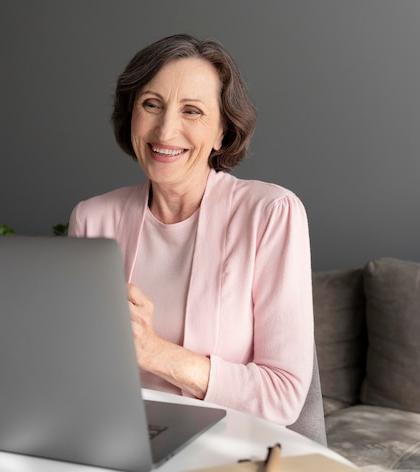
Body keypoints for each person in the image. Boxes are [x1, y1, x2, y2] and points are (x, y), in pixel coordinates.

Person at [68, 34, 314, 426]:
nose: (165, 132)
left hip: (226, 446)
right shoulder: (92, 218)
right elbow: (75, 369)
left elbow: (282, 395)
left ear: (222, 132)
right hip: (113, 434)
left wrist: (152, 352)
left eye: (192, 111)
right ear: (131, 114)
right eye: (152, 104)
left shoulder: (270, 213)